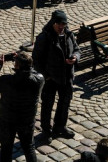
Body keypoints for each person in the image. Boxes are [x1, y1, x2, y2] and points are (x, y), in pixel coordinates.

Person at [0, 52, 44, 162]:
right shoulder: (39, 80)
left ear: (17, 66)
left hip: (8, 119)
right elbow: (34, 72)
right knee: (29, 147)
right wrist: (23, 61)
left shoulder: (7, 80)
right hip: (27, 120)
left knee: (6, 149)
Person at [33, 9, 80, 142]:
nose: (61, 28)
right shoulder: (44, 37)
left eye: (63, 25)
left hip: (66, 77)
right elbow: (36, 60)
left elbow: (77, 49)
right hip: (50, 78)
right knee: (47, 105)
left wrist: (75, 58)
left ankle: (60, 127)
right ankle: (46, 131)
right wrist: (46, 76)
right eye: (59, 25)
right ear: (53, 23)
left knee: (64, 103)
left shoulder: (69, 34)